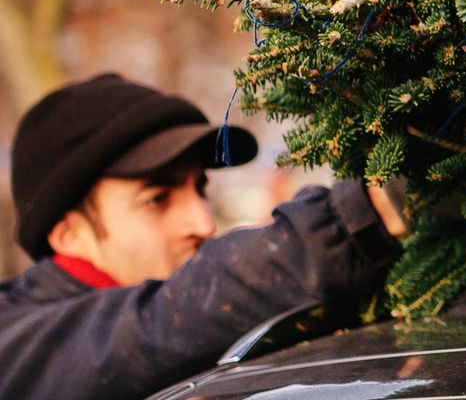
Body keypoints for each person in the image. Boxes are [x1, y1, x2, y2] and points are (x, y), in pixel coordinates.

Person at [0, 73, 408, 400]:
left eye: (200, 190)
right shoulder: (13, 343)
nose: (204, 224)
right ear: (70, 235)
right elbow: (158, 324)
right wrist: (361, 216)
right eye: (157, 198)